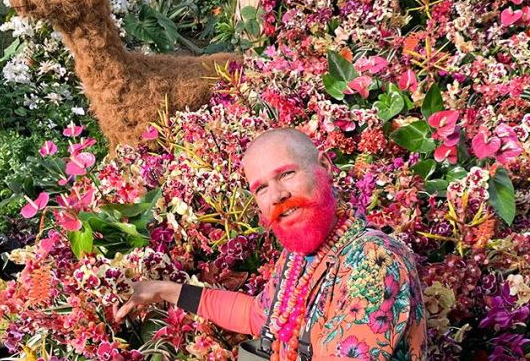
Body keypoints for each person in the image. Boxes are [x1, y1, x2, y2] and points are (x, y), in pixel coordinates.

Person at [115, 128, 428, 360]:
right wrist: (161, 290)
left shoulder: (373, 260)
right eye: (261, 188)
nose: (277, 195)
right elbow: (258, 316)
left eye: (287, 174)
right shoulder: (300, 255)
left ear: (326, 168)